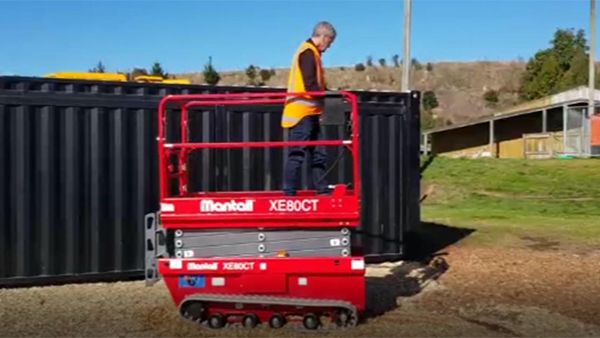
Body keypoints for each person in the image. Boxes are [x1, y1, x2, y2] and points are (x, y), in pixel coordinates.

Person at [281, 21, 337, 196]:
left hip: (311, 112)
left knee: (319, 153)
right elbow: (310, 85)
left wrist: (329, 96)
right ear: (323, 37)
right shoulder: (307, 52)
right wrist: (329, 97)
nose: (329, 46)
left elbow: (315, 85)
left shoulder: (312, 53)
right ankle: (289, 192)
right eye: (330, 42)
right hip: (301, 113)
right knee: (297, 153)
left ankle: (321, 188)